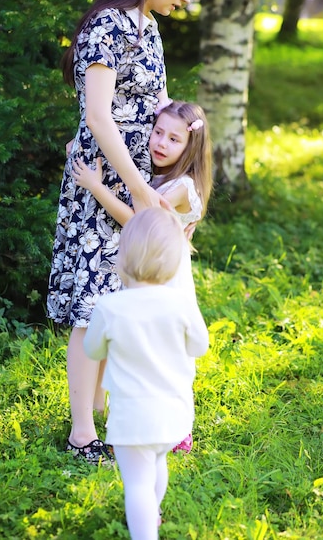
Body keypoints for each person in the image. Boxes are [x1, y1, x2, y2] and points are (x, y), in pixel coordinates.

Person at [46, 0, 205, 464]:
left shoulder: (151, 30)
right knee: (92, 308)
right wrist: (139, 191)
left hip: (141, 184)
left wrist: (177, 171)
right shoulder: (106, 26)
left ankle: (100, 409)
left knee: (118, 299)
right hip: (105, 181)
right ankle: (81, 436)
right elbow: (97, 115)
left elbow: (161, 105)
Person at [73, 99, 212, 454]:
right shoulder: (162, 175)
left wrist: (96, 186)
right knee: (141, 349)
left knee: (169, 355)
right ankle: (108, 407)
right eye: (158, 132)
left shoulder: (182, 187)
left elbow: (136, 218)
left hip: (167, 280)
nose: (160, 143)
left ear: (190, 146)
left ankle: (179, 427)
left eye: (173, 139)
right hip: (152, 273)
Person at [83, 207, 209, 539]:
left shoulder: (109, 308)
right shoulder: (181, 304)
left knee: (137, 482)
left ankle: (145, 531)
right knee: (157, 463)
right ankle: (151, 515)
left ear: (122, 258)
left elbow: (93, 351)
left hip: (131, 417)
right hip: (173, 413)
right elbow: (199, 346)